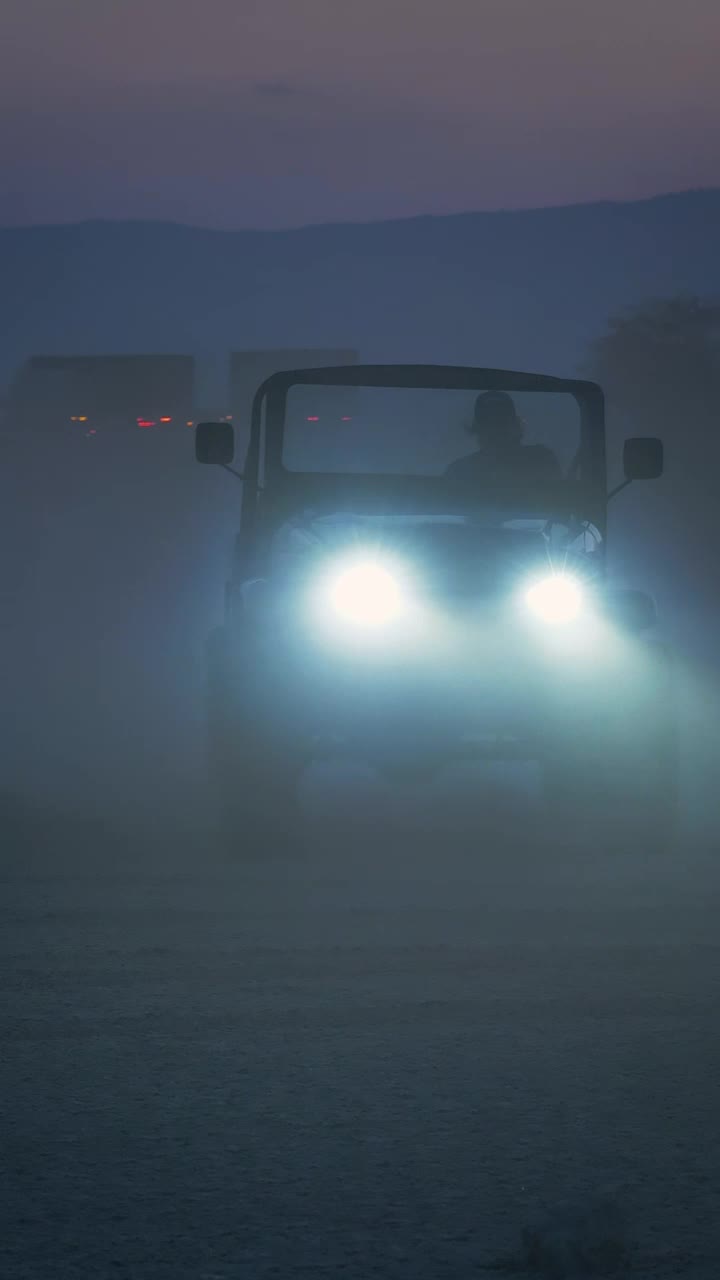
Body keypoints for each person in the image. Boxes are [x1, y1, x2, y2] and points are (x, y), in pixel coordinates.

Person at [444, 391, 561, 493]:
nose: (495, 429)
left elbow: (557, 501)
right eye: (487, 422)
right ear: (477, 428)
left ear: (514, 425)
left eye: (501, 421)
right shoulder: (459, 471)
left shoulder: (541, 460)